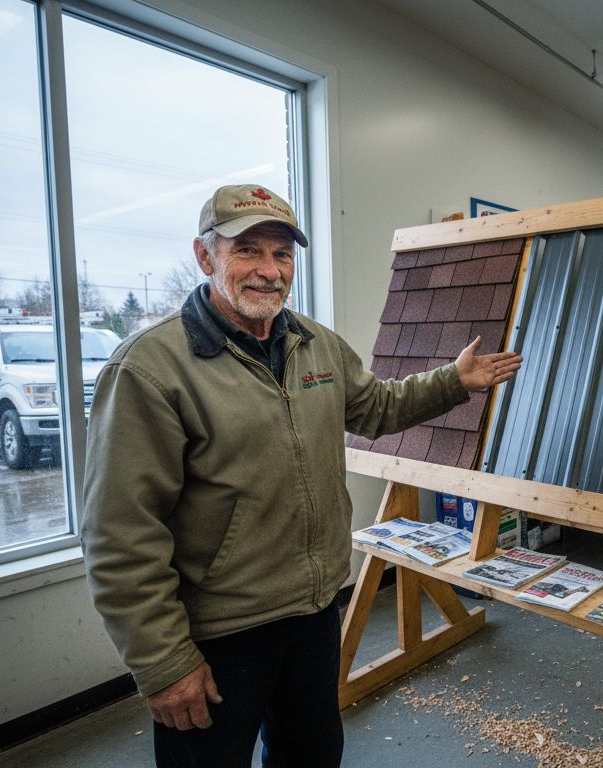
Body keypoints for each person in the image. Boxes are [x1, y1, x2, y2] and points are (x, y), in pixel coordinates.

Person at [81, 184, 521, 767]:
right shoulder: (150, 370)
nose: (269, 270)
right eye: (248, 251)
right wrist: (163, 663)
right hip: (218, 631)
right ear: (204, 254)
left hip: (313, 612)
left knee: (311, 756)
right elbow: (119, 533)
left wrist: (452, 381)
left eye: (282, 254)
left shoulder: (315, 346)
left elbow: (377, 407)